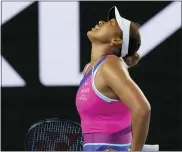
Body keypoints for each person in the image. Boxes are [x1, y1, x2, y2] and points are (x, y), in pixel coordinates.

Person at [76, 6, 151, 151]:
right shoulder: (89, 69)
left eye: (111, 23)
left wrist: (133, 151)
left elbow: (142, 109)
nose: (101, 21)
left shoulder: (110, 65)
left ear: (116, 40)